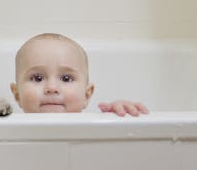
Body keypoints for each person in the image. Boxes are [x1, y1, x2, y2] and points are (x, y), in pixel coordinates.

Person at [10, 33, 148, 116]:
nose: (51, 88)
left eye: (66, 78)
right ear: (17, 95)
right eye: (38, 78)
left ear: (87, 95)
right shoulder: (6, 132)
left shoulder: (93, 128)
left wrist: (118, 116)